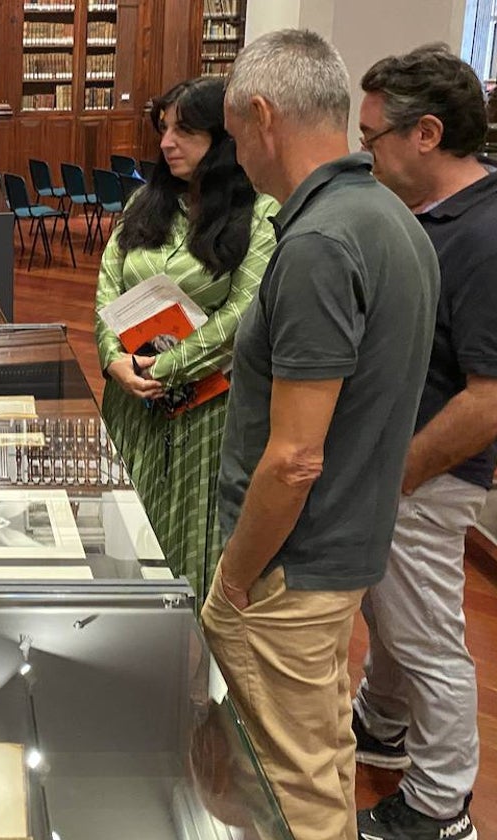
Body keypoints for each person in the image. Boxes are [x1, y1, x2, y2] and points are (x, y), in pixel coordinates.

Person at [202, 30, 439, 840]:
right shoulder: (393, 220)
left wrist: (233, 582)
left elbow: (295, 457)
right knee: (320, 755)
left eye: (235, 137)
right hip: (341, 551)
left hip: (288, 567)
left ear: (262, 116)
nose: (238, 158)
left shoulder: (316, 243)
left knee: (290, 787)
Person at [350, 45, 497, 840]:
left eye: (374, 137)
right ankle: (380, 724)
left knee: (429, 638)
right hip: (402, 469)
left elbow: (489, 399)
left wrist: (400, 474)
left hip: (428, 473)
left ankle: (441, 807)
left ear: (428, 133)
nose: (364, 150)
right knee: (396, 614)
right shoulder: (432, 220)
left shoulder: (484, 236)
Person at [94, 76, 278, 601]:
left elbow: (241, 314)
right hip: (129, 398)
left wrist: (164, 368)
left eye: (185, 131)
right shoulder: (142, 204)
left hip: (205, 410)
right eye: (164, 128)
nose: (166, 142)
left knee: (191, 540)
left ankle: (188, 663)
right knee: (123, 529)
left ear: (223, 139)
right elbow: (108, 284)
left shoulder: (259, 215)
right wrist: (113, 360)